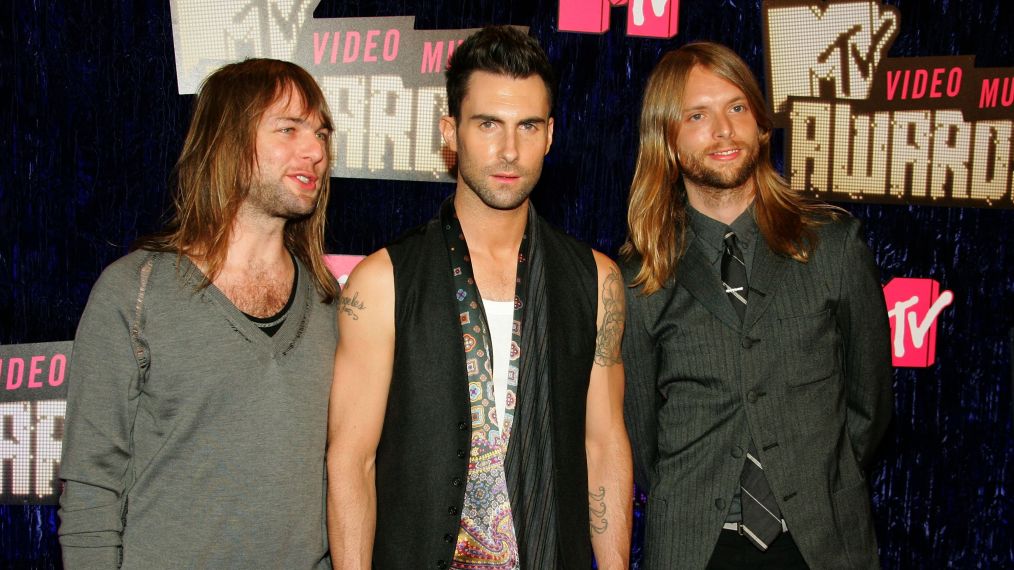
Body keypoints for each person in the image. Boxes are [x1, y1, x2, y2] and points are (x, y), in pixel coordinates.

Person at [326, 26, 632, 570]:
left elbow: (605, 445)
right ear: (451, 131)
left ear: (551, 135)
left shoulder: (597, 280)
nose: (509, 150)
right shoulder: (381, 282)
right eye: (488, 124)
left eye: (528, 126)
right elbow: (353, 463)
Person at [621, 42, 893, 569]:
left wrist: (818, 475)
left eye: (737, 107)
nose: (723, 129)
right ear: (668, 140)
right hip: (694, 548)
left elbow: (870, 406)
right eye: (697, 115)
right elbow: (640, 435)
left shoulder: (832, 247)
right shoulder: (641, 277)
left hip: (822, 544)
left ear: (762, 126)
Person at [58, 58, 338, 568]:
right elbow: (90, 490)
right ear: (228, 141)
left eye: (321, 133)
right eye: (289, 128)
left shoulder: (330, 307)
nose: (315, 151)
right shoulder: (134, 292)